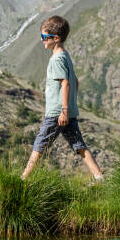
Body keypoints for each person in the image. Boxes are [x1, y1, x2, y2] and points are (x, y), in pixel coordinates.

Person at [21, 16, 104, 182]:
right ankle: (99, 178)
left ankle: (24, 179)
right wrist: (71, 105)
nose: (42, 40)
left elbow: (65, 84)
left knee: (40, 143)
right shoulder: (65, 56)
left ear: (56, 38)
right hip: (68, 111)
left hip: (57, 112)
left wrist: (64, 110)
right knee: (78, 144)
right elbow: (75, 81)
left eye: (45, 37)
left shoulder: (56, 59)